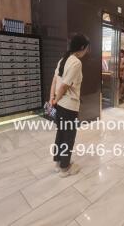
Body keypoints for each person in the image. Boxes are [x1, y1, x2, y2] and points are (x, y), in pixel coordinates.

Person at [49, 34, 90, 177]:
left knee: (61, 133)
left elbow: (55, 81)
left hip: (60, 105)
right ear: (82, 48)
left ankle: (58, 162)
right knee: (68, 137)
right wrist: (55, 99)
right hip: (69, 106)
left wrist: (52, 100)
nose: (87, 50)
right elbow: (64, 86)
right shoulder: (76, 62)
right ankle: (65, 168)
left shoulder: (62, 60)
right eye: (86, 48)